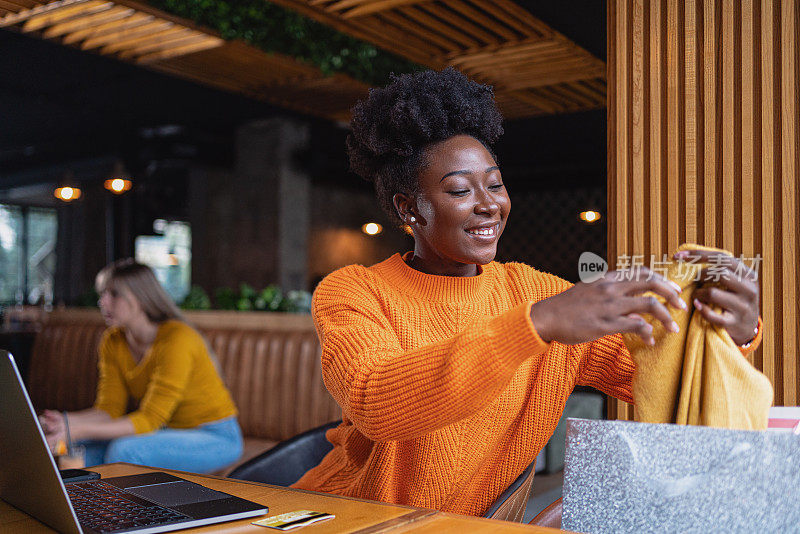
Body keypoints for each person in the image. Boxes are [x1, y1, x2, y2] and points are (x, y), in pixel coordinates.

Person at [292, 68, 762, 516]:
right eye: (460, 191)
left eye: (495, 184)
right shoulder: (354, 291)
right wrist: (536, 325)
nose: (489, 204)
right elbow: (378, 405)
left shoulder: (534, 290)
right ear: (408, 208)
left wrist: (734, 334)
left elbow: (663, 378)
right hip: (337, 515)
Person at [39, 259, 242, 473]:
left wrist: (75, 430)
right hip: (164, 433)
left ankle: (122, 509)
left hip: (216, 436)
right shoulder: (113, 340)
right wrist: (63, 422)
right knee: (79, 454)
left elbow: (150, 419)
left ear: (141, 298)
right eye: (102, 294)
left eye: (114, 294)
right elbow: (109, 410)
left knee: (124, 451)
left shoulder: (178, 339)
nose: (103, 302)